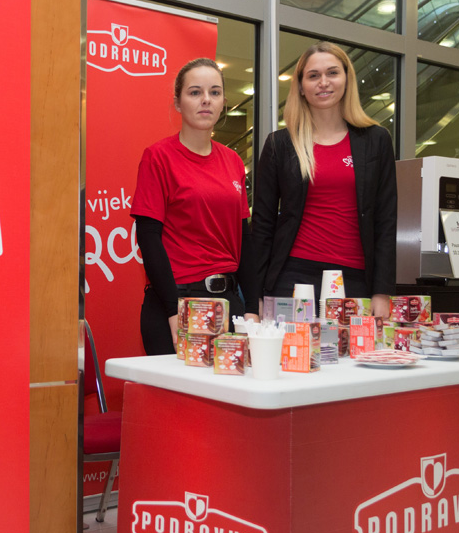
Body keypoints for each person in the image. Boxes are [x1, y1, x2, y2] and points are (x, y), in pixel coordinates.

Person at [251, 41, 397, 320]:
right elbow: (262, 225)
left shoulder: (376, 140)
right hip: (292, 278)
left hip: (355, 280)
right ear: (301, 86)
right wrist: (254, 297)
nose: (323, 82)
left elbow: (386, 220)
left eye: (332, 73)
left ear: (347, 79)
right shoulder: (280, 144)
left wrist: (382, 291)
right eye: (313, 75)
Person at [131, 58, 259, 355]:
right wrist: (173, 312)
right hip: (177, 302)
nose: (206, 100)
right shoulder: (158, 157)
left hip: (229, 303)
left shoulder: (233, 161)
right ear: (178, 102)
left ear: (223, 102)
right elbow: (149, 239)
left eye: (215, 92)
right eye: (195, 92)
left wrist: (252, 308)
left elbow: (244, 239)